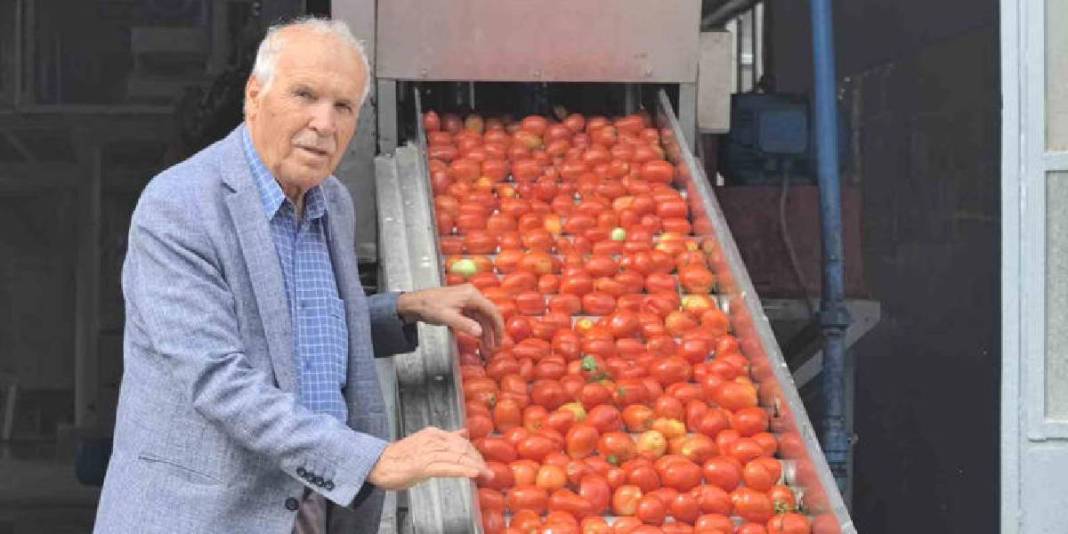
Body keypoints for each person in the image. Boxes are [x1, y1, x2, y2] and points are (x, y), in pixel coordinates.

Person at [93, 17, 501, 534]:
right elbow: (219, 379)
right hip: (209, 514)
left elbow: (293, 327)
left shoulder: (331, 200)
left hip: (313, 505)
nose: (324, 123)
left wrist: (400, 310)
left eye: (343, 106)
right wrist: (372, 461)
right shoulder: (180, 207)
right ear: (254, 96)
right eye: (304, 95)